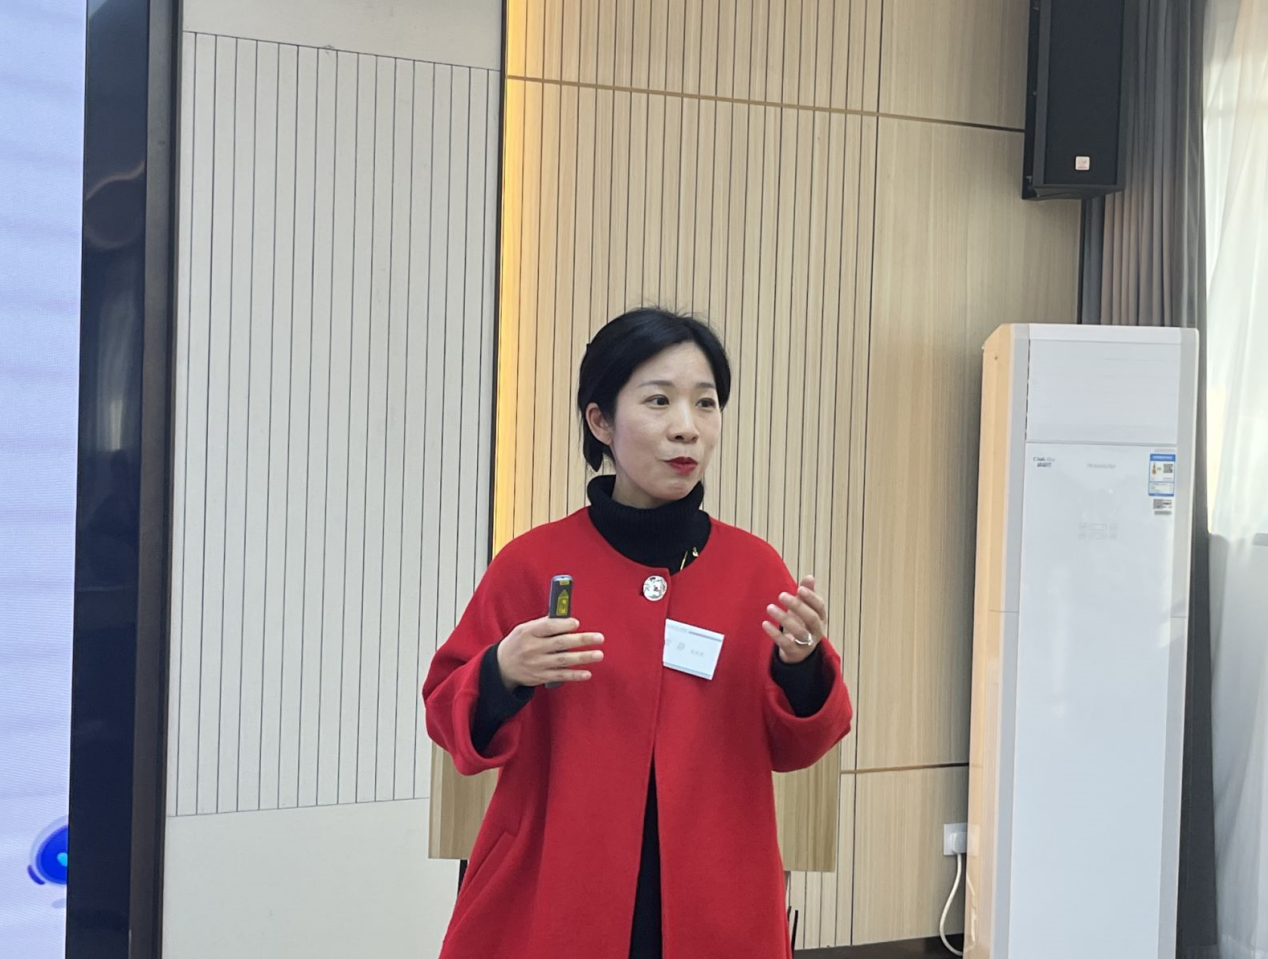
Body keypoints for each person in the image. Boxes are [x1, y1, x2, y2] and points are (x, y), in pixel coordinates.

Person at [423, 308, 853, 959]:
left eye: (705, 403)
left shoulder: (755, 569)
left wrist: (802, 666)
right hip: (555, 893)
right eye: (659, 401)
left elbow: (802, 744)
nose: (687, 426)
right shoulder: (534, 563)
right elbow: (446, 715)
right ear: (601, 421)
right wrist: (502, 670)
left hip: (715, 897)